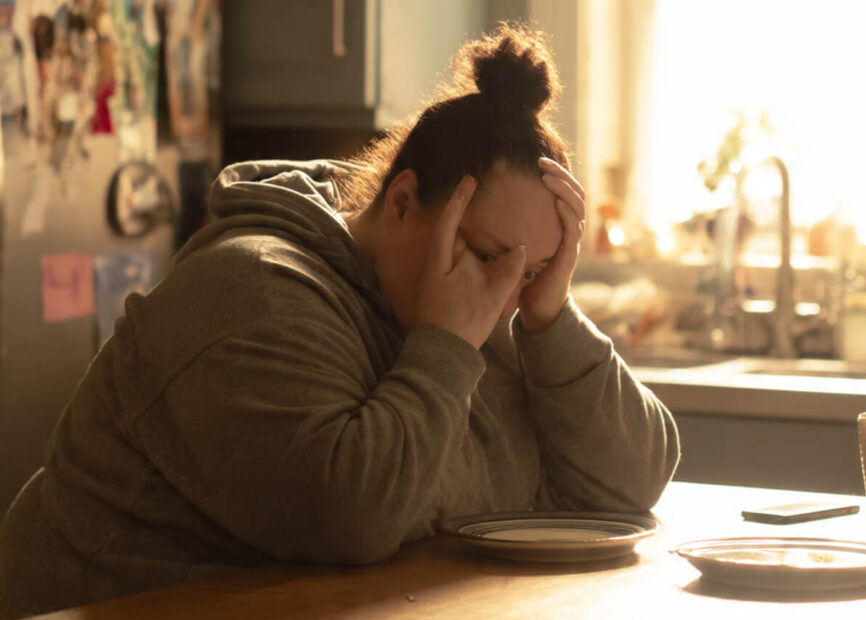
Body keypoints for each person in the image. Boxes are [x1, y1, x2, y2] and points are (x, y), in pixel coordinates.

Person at [0, 24, 680, 619]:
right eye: (491, 256)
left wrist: (551, 316)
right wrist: (443, 348)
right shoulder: (253, 291)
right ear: (405, 201)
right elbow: (352, 519)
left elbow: (628, 485)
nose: (505, 296)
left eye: (531, 270)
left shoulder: (482, 300)